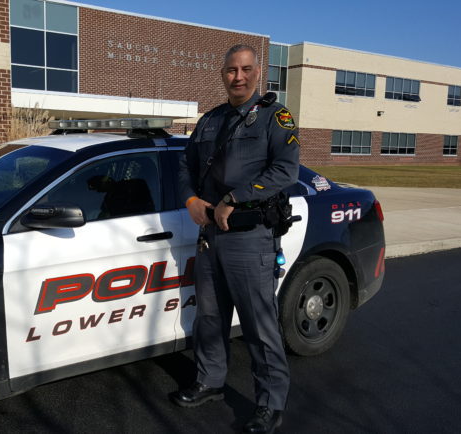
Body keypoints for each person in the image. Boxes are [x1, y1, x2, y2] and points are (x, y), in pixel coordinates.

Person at [173, 44, 300, 434]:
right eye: (231, 70)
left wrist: (234, 197)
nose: (238, 77)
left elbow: (286, 170)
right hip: (210, 236)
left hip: (250, 238)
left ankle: (270, 403)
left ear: (257, 73)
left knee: (259, 327)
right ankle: (210, 382)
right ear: (222, 74)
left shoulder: (274, 118)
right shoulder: (210, 120)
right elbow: (185, 166)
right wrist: (192, 199)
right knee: (209, 319)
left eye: (245, 69)